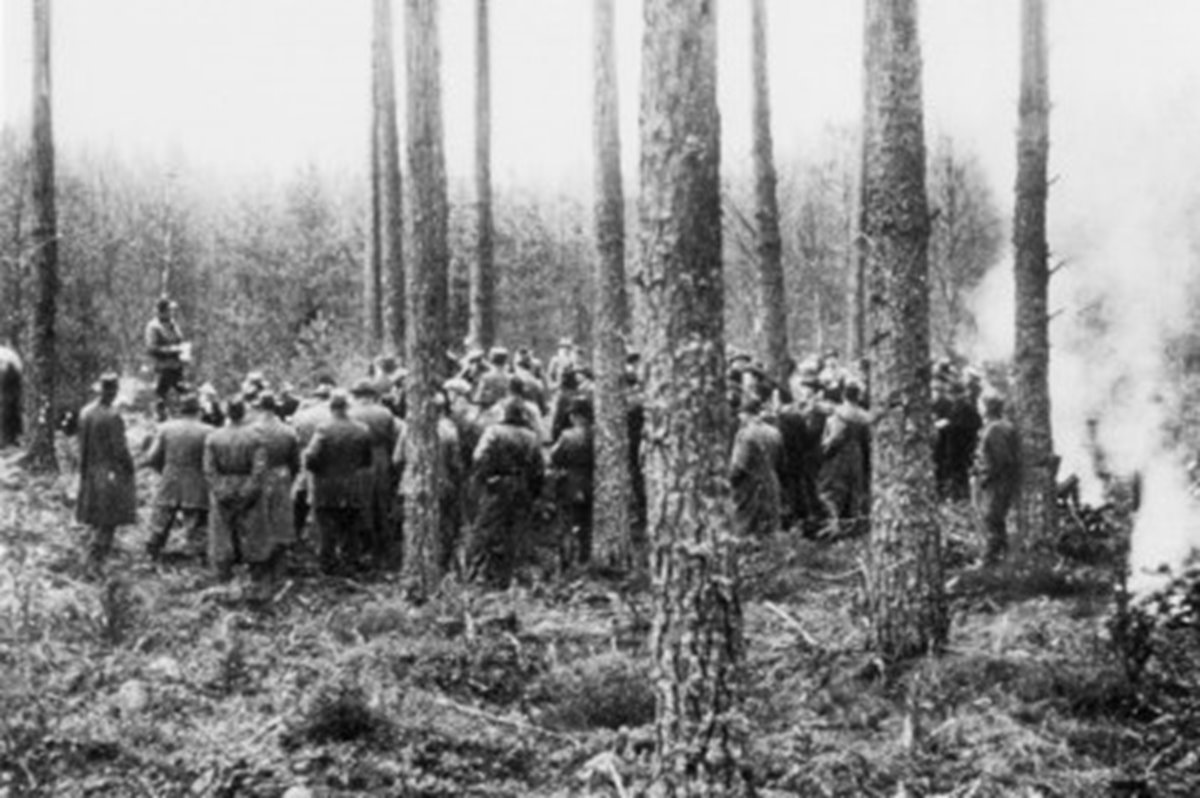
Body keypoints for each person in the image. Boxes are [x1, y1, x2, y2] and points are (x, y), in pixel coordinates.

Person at [467, 397, 545, 588]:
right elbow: (539, 469)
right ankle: (510, 577)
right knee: (515, 531)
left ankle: (480, 574)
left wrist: (484, 479)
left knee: (486, 530)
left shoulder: (493, 432)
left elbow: (478, 457)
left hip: (497, 486)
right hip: (521, 486)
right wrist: (533, 492)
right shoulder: (531, 436)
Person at [304, 389, 373, 575]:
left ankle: (328, 563)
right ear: (347, 407)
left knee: (327, 526)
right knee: (351, 525)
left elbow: (310, 456)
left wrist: (318, 470)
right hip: (353, 483)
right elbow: (367, 460)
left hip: (326, 485)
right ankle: (351, 560)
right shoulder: (362, 429)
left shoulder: (323, 429)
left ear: (331, 407)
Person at [76, 373, 138, 572]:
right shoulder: (112, 416)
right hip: (110, 474)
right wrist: (130, 468)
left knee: (95, 517)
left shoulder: (85, 413)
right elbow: (120, 450)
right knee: (108, 520)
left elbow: (82, 446)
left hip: (90, 471)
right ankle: (95, 562)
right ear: (113, 391)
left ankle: (93, 559)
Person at [204, 397, 267, 583]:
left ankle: (223, 576)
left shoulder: (214, 437)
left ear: (226, 412)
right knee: (253, 531)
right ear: (244, 412)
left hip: (223, 485)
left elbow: (209, 469)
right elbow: (259, 469)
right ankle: (255, 577)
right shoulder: (255, 437)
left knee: (222, 531)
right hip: (247, 485)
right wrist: (250, 490)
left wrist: (218, 489)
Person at [142, 393, 211, 562]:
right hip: (197, 482)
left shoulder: (165, 428)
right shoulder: (208, 431)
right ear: (198, 411)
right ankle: (198, 561)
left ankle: (151, 556)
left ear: (180, 410)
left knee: (160, 521)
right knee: (197, 525)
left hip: (170, 479)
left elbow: (151, 458)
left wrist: (165, 470)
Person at [349, 378, 401, 567]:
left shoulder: (350, 412)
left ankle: (362, 548)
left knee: (359, 503)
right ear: (373, 395)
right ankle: (384, 550)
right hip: (380, 458)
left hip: (356, 461)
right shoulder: (385, 413)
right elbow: (394, 439)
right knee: (381, 503)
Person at [252, 392, 301, 589]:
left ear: (259, 408)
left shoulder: (251, 430)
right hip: (281, 476)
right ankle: (279, 569)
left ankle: (259, 568)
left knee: (258, 521)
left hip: (258, 477)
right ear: (275, 408)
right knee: (281, 522)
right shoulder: (288, 431)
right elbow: (295, 462)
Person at [973, 394, 1020, 564]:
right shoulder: (1000, 427)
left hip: (997, 481)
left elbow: (1002, 459)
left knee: (991, 516)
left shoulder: (995, 429)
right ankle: (1000, 555)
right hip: (998, 479)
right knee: (994, 517)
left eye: (980, 404)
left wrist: (986, 475)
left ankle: (990, 557)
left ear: (987, 408)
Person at [730, 394, 784, 539]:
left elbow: (739, 465)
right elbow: (781, 460)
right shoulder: (775, 432)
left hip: (750, 487)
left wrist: (728, 482)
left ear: (745, 414)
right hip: (772, 483)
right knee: (769, 528)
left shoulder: (745, 434)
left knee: (745, 527)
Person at [549, 397, 595, 566]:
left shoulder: (568, 436)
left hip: (571, 482)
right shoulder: (599, 434)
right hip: (592, 482)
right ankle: (584, 557)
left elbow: (554, 456)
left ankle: (567, 560)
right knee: (587, 523)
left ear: (577, 416)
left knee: (567, 522)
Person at [144, 296, 189, 416]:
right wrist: (170, 350)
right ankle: (160, 418)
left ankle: (182, 416)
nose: (172, 312)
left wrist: (183, 349)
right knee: (161, 397)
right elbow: (151, 348)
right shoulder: (153, 327)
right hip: (163, 368)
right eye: (169, 310)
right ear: (162, 311)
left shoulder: (173, 324)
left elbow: (179, 339)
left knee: (183, 393)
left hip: (177, 366)